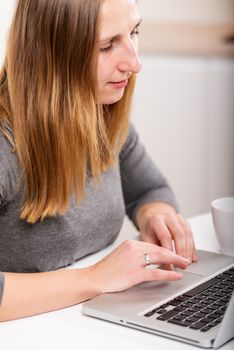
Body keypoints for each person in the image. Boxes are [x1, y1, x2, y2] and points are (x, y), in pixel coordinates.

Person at [0, 0, 197, 322]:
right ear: (51, 53)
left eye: (134, 32)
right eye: (106, 46)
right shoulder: (5, 147)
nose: (134, 63)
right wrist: (95, 278)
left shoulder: (99, 113)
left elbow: (150, 189)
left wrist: (155, 214)